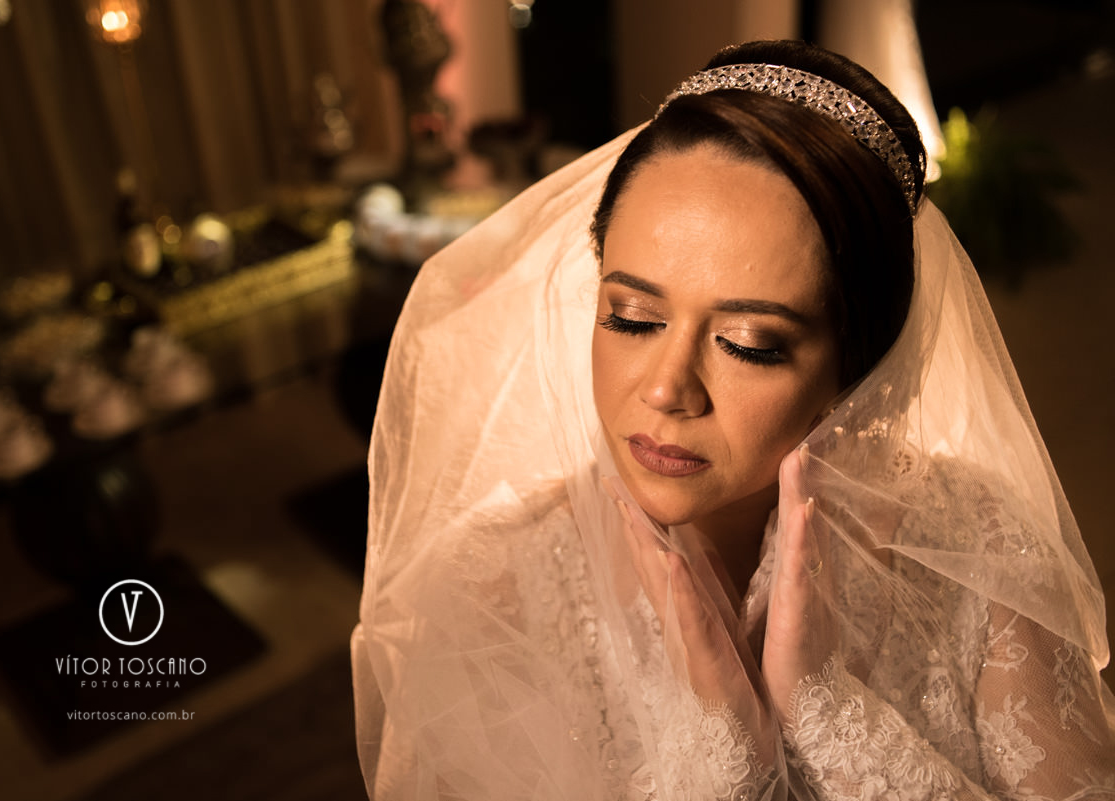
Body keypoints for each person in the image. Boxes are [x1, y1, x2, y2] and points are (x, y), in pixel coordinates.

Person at [351, 40, 1115, 800]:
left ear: (858, 370)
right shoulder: (486, 592)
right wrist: (725, 760)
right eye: (632, 317)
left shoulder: (979, 551)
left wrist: (825, 711)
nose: (666, 389)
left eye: (748, 343)